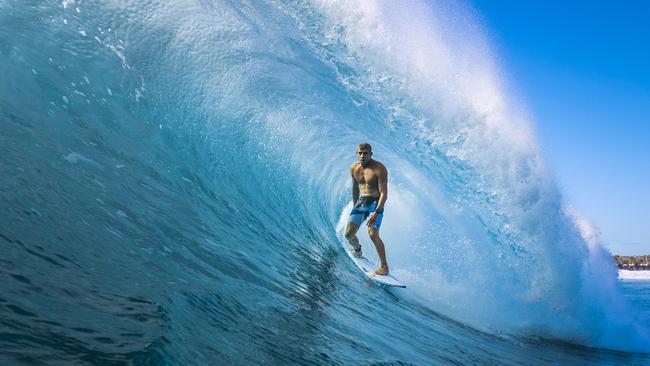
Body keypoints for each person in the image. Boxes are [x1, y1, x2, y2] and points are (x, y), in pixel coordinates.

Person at [345, 143, 390, 275]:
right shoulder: (353, 168)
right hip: (361, 202)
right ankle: (357, 249)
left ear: (371, 154)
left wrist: (376, 212)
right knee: (348, 234)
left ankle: (384, 267)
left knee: (373, 234)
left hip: (375, 203)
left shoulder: (379, 168)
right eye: (360, 153)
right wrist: (354, 206)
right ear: (356, 153)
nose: (362, 155)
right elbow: (355, 188)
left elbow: (384, 194)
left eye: (365, 153)